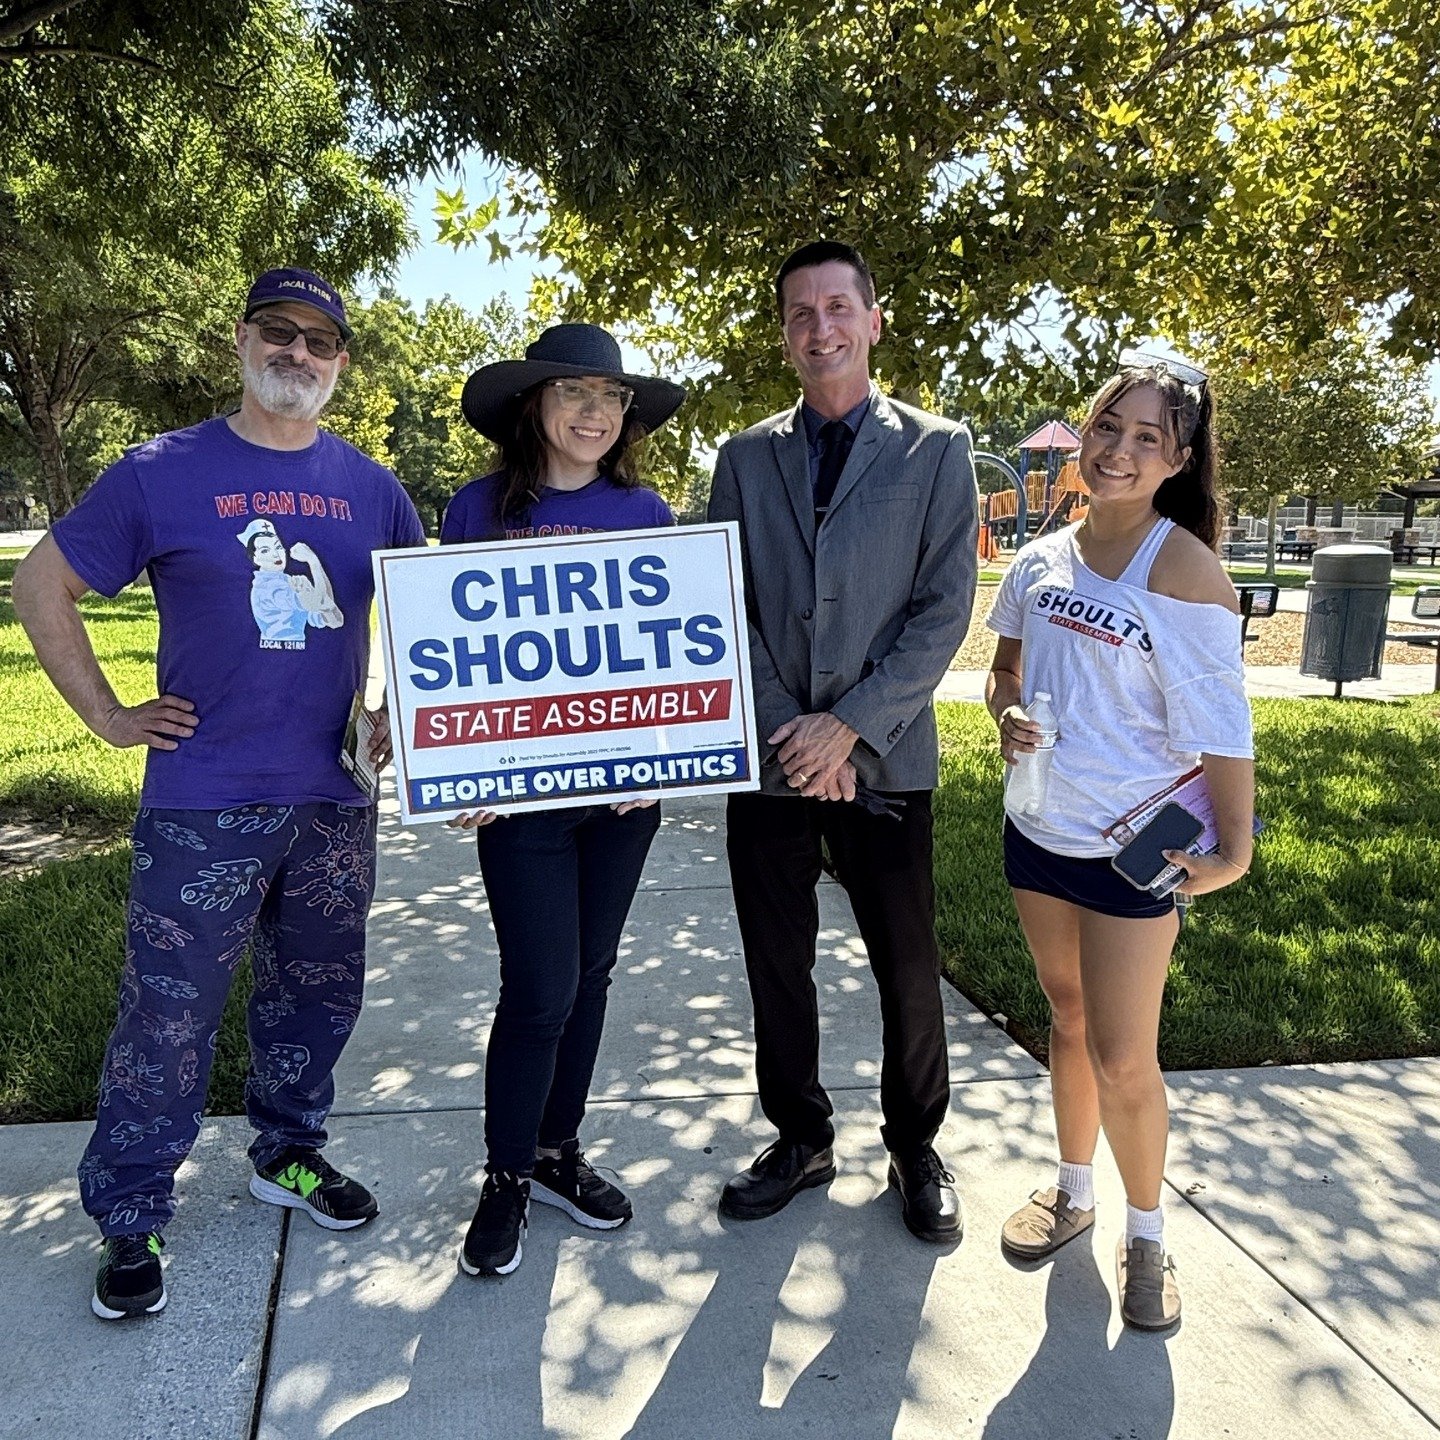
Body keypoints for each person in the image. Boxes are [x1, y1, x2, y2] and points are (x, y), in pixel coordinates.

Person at [12, 266, 425, 1322]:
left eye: (319, 341)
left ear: (340, 362)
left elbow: (427, 628)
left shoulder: (374, 489)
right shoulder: (161, 472)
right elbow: (41, 583)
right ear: (241, 340)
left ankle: (287, 1154)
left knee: (318, 997)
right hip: (204, 800)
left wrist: (396, 717)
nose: (298, 354)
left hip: (334, 798)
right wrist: (107, 718)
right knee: (169, 1014)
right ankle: (132, 1210)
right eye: (279, 333)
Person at [707, 240, 979, 1243]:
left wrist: (850, 727)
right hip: (774, 765)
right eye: (797, 314)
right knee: (777, 964)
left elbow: (945, 609)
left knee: (908, 965)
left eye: (836, 308)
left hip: (889, 760)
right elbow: (725, 611)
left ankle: (915, 1147)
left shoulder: (937, 449)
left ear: (872, 319)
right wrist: (794, 731)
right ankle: (802, 1137)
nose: (818, 329)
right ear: (783, 334)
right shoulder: (742, 460)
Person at [984, 344, 1254, 1330]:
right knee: (1065, 1017)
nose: (1118, 451)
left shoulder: (1183, 570)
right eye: (1108, 427)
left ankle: (1147, 1238)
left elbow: (1222, 724)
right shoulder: (1042, 557)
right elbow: (1004, 675)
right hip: (1039, 827)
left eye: (1147, 438)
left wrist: (1235, 847)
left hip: (1130, 847)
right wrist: (1004, 712)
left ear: (1179, 460)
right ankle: (1073, 1190)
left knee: (1126, 1057)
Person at [441, 323, 686, 1278]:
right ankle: (506, 1173)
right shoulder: (476, 511)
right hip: (522, 806)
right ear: (533, 407)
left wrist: (663, 758)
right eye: (575, 393)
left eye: (612, 397)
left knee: (591, 977)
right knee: (539, 989)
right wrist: (455, 765)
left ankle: (554, 1151)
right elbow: (454, 663)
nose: (595, 412)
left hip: (623, 802)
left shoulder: (647, 512)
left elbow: (669, 648)